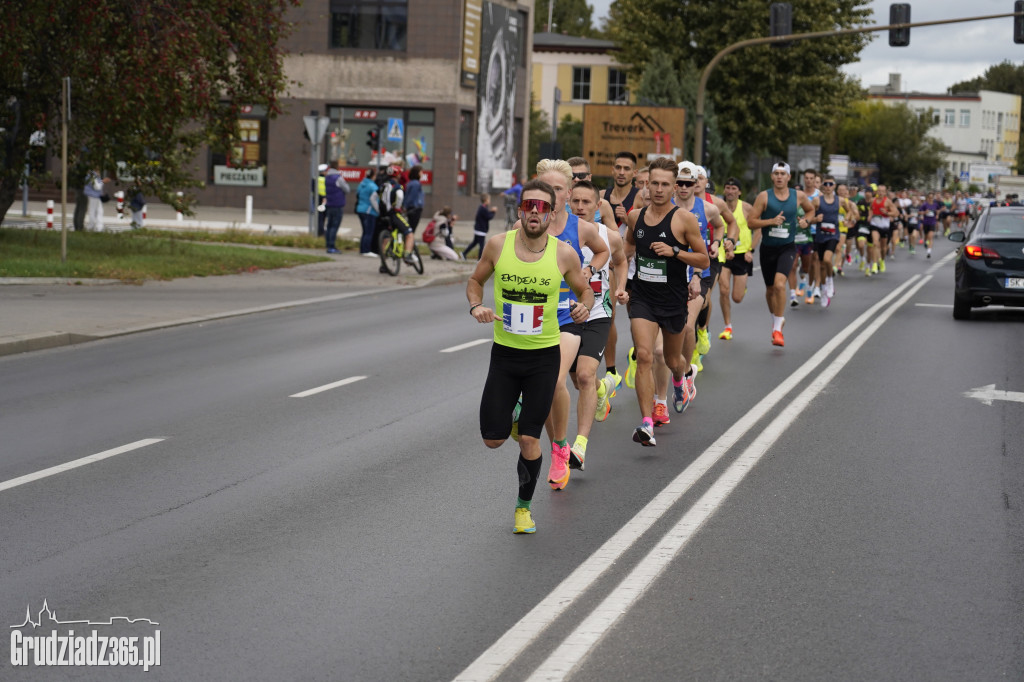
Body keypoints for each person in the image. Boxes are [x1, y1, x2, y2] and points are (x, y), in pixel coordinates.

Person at [466, 179, 594, 534]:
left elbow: (586, 292)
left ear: (552, 214)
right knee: (492, 439)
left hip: (542, 359)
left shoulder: (563, 253)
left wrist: (584, 308)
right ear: (519, 211)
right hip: (505, 357)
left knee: (529, 439)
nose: (534, 212)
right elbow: (475, 280)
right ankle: (516, 413)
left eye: (541, 207)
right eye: (528, 206)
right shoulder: (497, 246)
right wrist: (476, 305)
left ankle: (523, 509)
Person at [530, 159, 608, 489]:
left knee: (558, 379)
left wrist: (589, 273)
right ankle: (557, 443)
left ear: (569, 192)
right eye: (544, 189)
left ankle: (563, 450)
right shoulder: (529, 227)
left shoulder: (582, 228)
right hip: (536, 318)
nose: (550, 196)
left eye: (557, 190)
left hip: (573, 316)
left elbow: (604, 251)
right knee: (562, 383)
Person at [624, 157, 708, 446]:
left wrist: (674, 252)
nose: (658, 189)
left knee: (672, 359)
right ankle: (647, 422)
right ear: (646, 185)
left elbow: (703, 258)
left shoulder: (684, 219)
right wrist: (620, 276)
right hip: (643, 298)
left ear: (674, 187)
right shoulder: (635, 217)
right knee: (645, 356)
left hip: (672, 300)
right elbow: (628, 247)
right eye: (653, 183)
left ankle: (682, 378)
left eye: (664, 184)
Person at [746, 162, 817, 347]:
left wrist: (806, 222)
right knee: (770, 290)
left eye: (782, 173)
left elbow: (810, 210)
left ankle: (777, 329)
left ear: (788, 177)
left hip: (787, 247)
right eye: (776, 173)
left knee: (779, 285)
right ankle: (776, 319)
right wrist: (771, 221)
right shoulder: (764, 197)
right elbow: (751, 223)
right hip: (768, 248)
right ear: (772, 177)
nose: (779, 176)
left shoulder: (798, 195)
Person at [718, 177, 758, 340]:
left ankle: (743, 288)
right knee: (723, 290)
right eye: (727, 188)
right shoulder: (718, 208)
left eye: (734, 189)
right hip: (723, 253)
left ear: (739, 192)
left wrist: (751, 250)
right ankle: (728, 326)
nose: (730, 191)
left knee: (737, 297)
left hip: (742, 254)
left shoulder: (747, 208)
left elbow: (758, 229)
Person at [811, 175, 856, 308]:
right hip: (820, 236)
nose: (828, 187)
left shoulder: (841, 200)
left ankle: (830, 281)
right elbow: (810, 216)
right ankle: (825, 291)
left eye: (831, 184)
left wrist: (845, 219)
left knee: (826, 260)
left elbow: (849, 212)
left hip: (833, 235)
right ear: (823, 186)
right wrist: (815, 219)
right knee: (822, 265)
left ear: (834, 186)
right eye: (826, 184)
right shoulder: (816, 201)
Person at [323, 162, 351, 254]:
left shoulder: (327, 178)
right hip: (337, 204)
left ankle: (328, 244)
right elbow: (347, 189)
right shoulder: (338, 178)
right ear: (337, 167)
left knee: (329, 225)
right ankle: (331, 246)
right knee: (335, 226)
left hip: (330, 204)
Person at [355, 168, 379, 257]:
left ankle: (362, 249)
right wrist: (378, 210)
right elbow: (374, 200)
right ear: (373, 176)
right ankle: (366, 250)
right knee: (369, 231)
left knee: (365, 231)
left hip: (360, 209)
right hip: (369, 210)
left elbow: (357, 194)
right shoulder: (373, 186)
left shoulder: (362, 184)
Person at [463, 194, 496, 260]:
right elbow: (488, 217)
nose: (490, 201)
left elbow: (486, 214)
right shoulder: (483, 208)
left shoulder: (482, 207)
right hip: (481, 230)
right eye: (489, 199)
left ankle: (464, 253)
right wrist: (493, 212)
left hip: (479, 229)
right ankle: (480, 259)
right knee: (482, 245)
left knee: (474, 243)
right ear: (486, 200)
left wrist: (491, 211)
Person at [403, 165, 425, 234]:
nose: (422, 174)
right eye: (421, 172)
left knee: (411, 227)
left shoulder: (411, 183)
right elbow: (412, 196)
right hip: (415, 208)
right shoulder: (416, 184)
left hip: (412, 208)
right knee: (412, 229)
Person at [316, 163, 328, 237]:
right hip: (323, 199)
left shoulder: (317, 178)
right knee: (322, 216)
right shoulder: (324, 179)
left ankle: (320, 230)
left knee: (320, 216)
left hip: (318, 198)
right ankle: (321, 232)